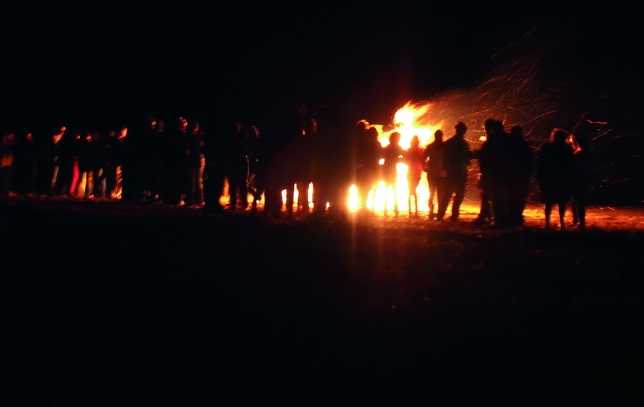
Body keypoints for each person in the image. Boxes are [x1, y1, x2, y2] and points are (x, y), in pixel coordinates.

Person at [536, 128, 575, 229]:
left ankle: (547, 223)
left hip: (549, 178)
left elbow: (540, 163)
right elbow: (571, 164)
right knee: (561, 201)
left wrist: (540, 177)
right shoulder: (567, 149)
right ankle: (561, 223)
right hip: (562, 178)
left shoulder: (547, 148)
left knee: (548, 201)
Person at [437, 122, 471, 222]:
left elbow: (440, 149)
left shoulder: (452, 142)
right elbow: (466, 156)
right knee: (454, 194)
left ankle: (443, 215)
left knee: (449, 194)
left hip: (455, 171)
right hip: (458, 171)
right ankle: (451, 215)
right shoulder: (461, 143)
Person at [570, 132, 591, 229]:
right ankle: (577, 222)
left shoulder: (580, 153)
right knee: (575, 201)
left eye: (573, 140)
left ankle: (580, 223)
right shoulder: (581, 152)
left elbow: (580, 167)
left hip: (578, 179)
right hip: (579, 179)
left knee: (578, 201)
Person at [423, 129, 445, 219]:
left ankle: (437, 213)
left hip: (440, 174)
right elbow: (423, 158)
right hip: (434, 173)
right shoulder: (432, 147)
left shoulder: (444, 147)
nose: (438, 138)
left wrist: (425, 167)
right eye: (437, 136)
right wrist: (425, 168)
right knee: (433, 193)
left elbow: (423, 159)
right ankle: (432, 212)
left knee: (438, 194)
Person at [381, 132, 403, 216]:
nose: (399, 140)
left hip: (388, 169)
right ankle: (394, 209)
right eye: (398, 138)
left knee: (389, 190)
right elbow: (401, 157)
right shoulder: (397, 148)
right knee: (393, 190)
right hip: (391, 170)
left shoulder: (387, 148)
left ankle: (387, 209)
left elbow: (383, 157)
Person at [406, 135, 424, 216]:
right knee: (412, 190)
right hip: (413, 171)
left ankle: (413, 210)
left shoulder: (418, 150)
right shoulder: (413, 150)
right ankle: (413, 210)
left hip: (414, 171)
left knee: (411, 190)